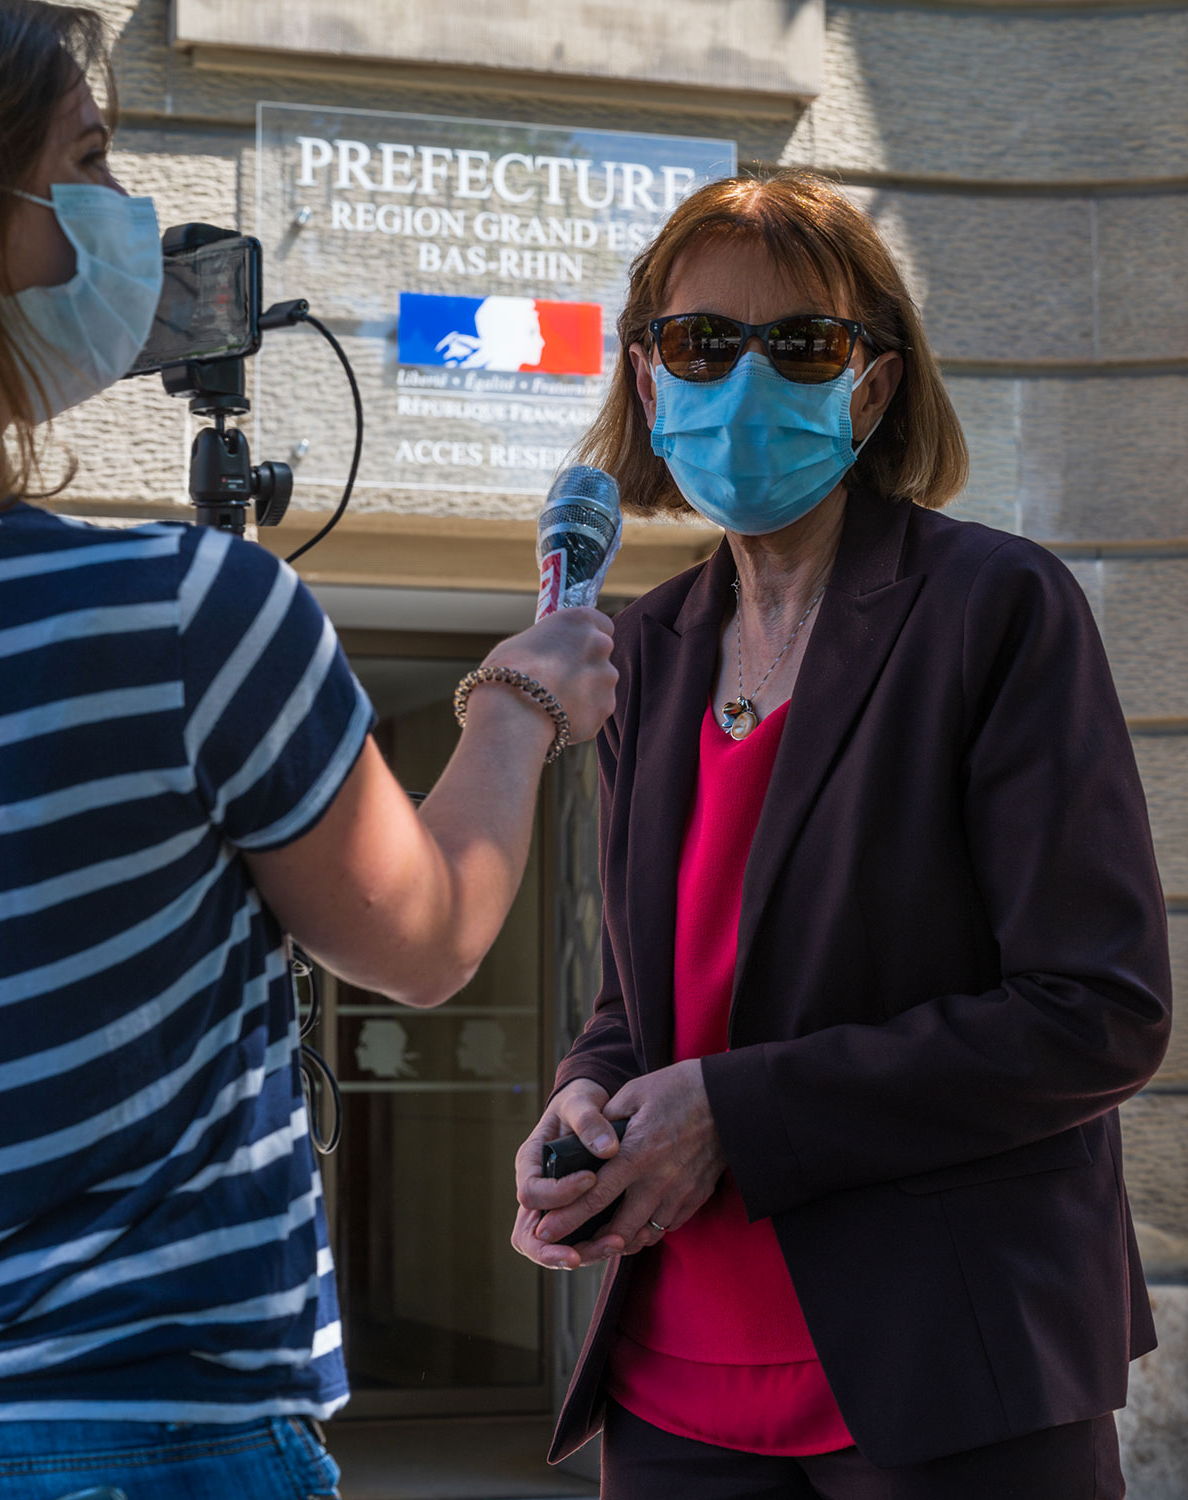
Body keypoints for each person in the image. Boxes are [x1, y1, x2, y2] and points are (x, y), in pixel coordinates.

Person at [0, 4, 616, 1496]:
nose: (123, 220)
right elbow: (425, 934)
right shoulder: (182, 611)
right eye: (83, 166)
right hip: (146, 1428)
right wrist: (520, 705)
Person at [511, 170, 1171, 1500]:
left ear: (869, 387)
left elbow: (1094, 1010)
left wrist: (733, 1115)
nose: (745, 382)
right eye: (703, 342)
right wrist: (587, 1093)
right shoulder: (643, 647)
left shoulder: (995, 609)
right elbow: (646, 1001)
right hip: (675, 1384)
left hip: (945, 1370)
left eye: (801, 344)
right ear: (650, 383)